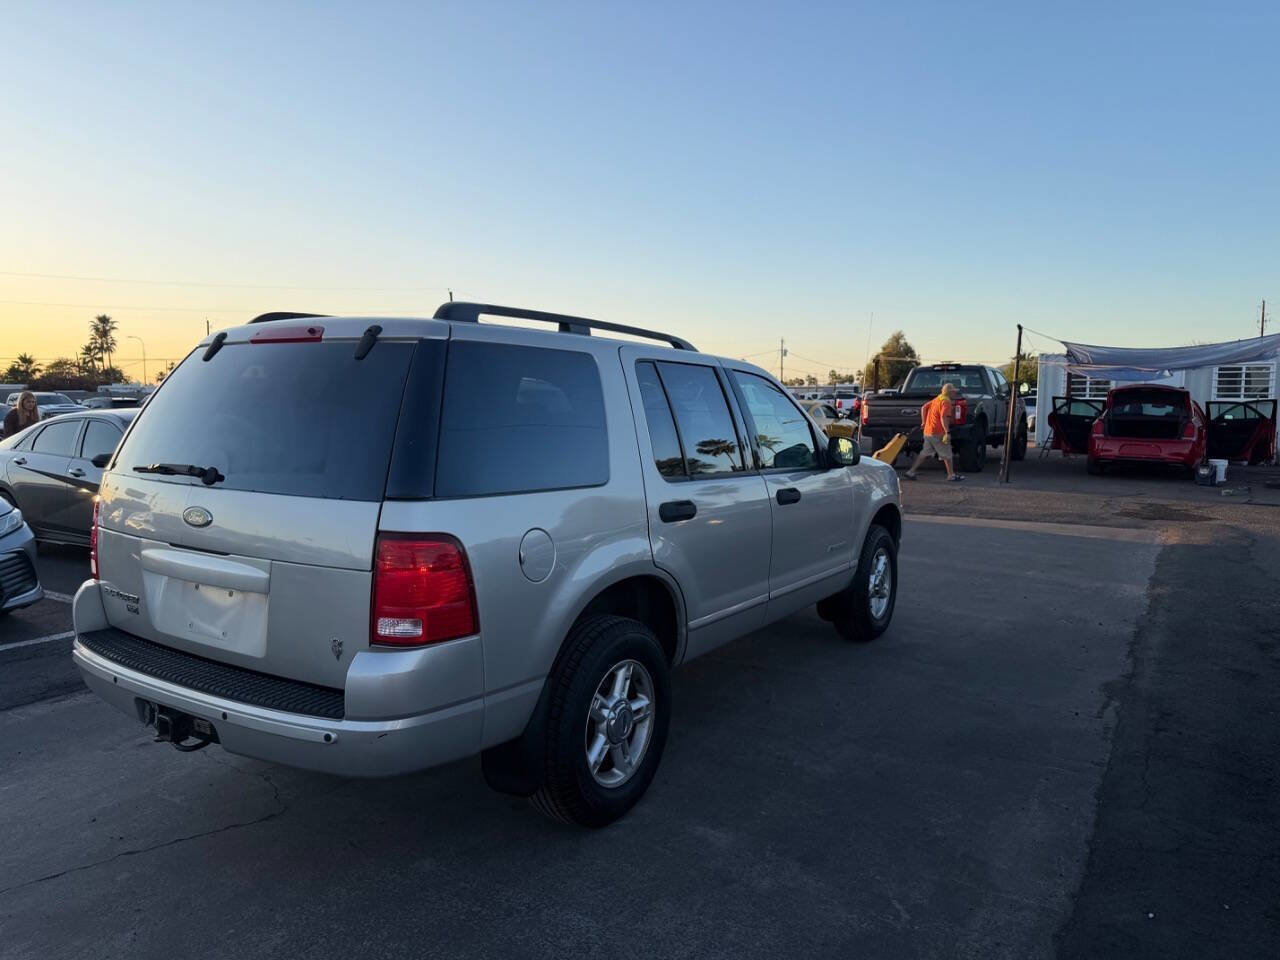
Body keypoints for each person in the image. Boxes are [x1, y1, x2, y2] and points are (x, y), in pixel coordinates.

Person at [903, 383, 964, 482]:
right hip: (938, 432)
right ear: (949, 392)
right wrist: (947, 432)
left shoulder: (937, 399)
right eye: (954, 391)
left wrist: (923, 422)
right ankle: (951, 475)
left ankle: (911, 472)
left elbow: (923, 407)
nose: (955, 393)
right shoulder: (946, 402)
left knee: (924, 452)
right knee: (947, 454)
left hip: (928, 431)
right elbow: (943, 417)